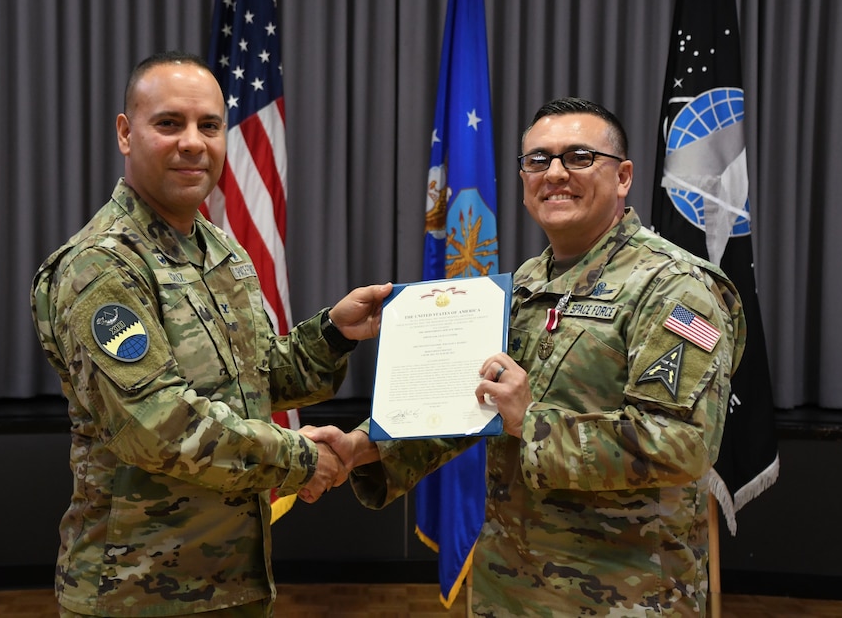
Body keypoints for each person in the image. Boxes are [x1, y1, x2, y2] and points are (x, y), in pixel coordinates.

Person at [305, 97, 747, 616]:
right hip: (507, 589)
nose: (555, 173)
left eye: (578, 157)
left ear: (623, 176)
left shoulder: (675, 287)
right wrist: (363, 445)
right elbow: (463, 403)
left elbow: (682, 445)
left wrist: (532, 422)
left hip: (625, 597)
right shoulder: (519, 289)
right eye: (538, 160)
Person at [30, 50, 391, 617]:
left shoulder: (216, 247)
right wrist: (301, 457)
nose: (193, 142)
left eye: (210, 125)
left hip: (231, 581)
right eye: (169, 123)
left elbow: (259, 378)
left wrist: (335, 333)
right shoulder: (101, 266)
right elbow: (158, 426)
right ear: (126, 133)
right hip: (137, 592)